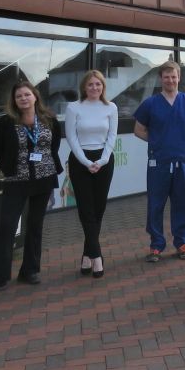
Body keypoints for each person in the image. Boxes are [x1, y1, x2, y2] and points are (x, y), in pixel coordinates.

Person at [0, 81, 63, 296]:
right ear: (14, 101)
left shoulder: (49, 120)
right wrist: (9, 169)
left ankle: (30, 270)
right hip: (16, 180)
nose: (23, 99)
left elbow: (54, 145)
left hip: (43, 178)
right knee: (6, 227)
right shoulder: (6, 122)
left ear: (35, 97)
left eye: (26, 95)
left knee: (35, 226)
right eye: (18, 96)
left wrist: (45, 165)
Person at [134, 61, 185, 263]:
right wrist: (157, 142)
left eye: (174, 76)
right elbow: (138, 130)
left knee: (182, 202)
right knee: (156, 204)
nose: (170, 80)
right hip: (159, 162)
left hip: (181, 161)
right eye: (166, 77)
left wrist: (176, 144)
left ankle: (182, 242)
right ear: (160, 79)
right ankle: (156, 245)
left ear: (179, 78)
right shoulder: (150, 104)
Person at [65, 70, 118, 278]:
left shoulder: (111, 107)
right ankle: (96, 257)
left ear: (103, 86)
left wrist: (103, 160)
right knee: (86, 209)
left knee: (98, 209)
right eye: (90, 85)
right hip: (80, 162)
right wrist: (86, 162)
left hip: (104, 160)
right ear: (84, 87)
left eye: (98, 84)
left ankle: (87, 255)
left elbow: (112, 135)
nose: (94, 88)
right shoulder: (73, 107)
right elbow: (71, 137)